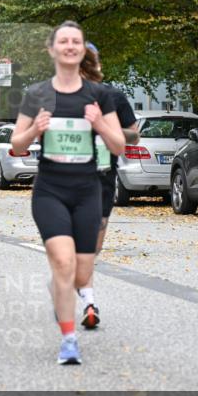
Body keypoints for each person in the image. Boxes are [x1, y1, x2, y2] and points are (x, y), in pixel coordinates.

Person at [9, 21, 124, 365]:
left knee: (80, 272)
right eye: (64, 41)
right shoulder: (37, 95)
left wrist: (99, 124)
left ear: (83, 49)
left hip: (88, 191)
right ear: (52, 49)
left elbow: (118, 145)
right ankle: (69, 339)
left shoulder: (101, 96)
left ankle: (61, 290)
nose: (70, 46)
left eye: (76, 41)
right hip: (50, 190)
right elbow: (15, 145)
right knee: (62, 261)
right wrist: (34, 130)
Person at [78, 43, 139, 329]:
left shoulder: (112, 96)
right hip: (68, 176)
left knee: (93, 245)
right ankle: (87, 299)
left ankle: (79, 281)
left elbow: (134, 136)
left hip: (103, 176)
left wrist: (105, 126)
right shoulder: (62, 95)